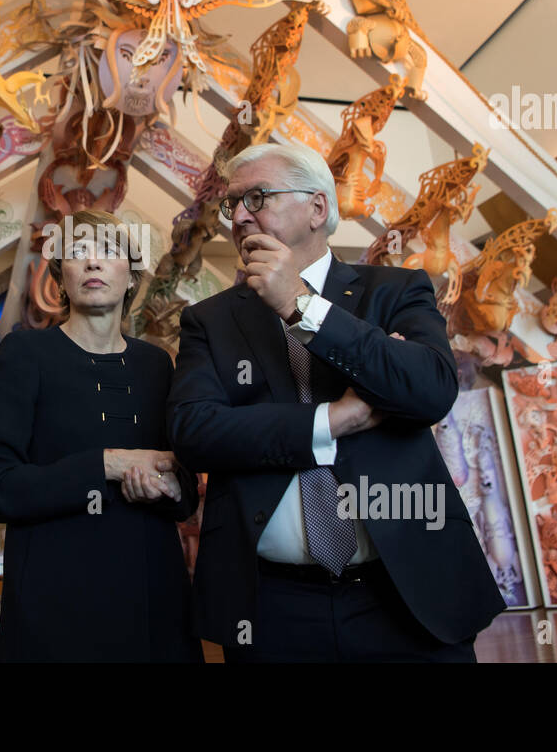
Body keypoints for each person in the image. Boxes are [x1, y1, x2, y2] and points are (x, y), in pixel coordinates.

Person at [168, 142, 504, 662]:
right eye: (230, 204)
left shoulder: (394, 291)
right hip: (272, 606)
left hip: (408, 593)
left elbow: (431, 390)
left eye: (256, 197)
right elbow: (196, 432)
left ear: (318, 209)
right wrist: (333, 419)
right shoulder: (210, 321)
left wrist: (300, 307)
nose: (237, 216)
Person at [0, 210, 202, 662]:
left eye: (110, 252)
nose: (93, 263)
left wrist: (172, 486)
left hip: (153, 601)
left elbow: (186, 491)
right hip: (56, 603)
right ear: (61, 278)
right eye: (77, 253)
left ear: (132, 277)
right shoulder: (25, 353)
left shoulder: (158, 365)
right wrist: (106, 465)